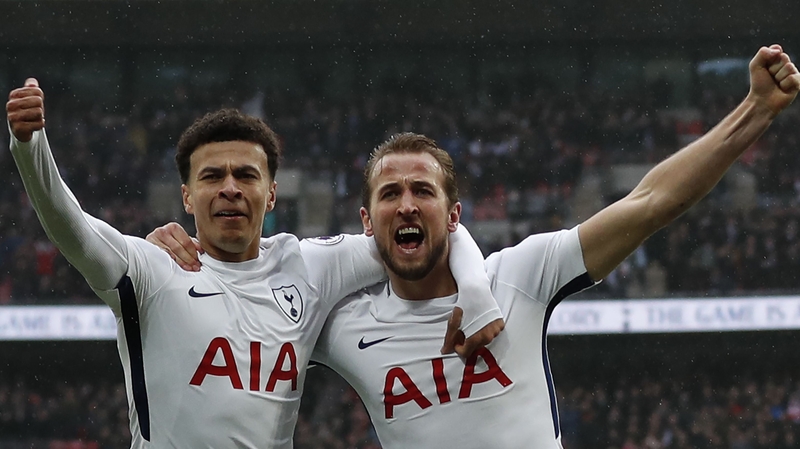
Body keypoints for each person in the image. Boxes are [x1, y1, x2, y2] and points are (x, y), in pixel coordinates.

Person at [149, 45, 799, 448]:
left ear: (454, 214)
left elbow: (653, 202)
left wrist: (755, 110)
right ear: (366, 223)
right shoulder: (337, 321)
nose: (407, 203)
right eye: (390, 193)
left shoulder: (523, 275)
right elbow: (236, 317)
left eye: (423, 191)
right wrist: (174, 256)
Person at [5, 81, 504, 448]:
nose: (229, 187)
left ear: (270, 196)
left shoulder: (310, 265)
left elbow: (431, 233)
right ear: (186, 196)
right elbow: (72, 228)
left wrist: (477, 290)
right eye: (211, 177)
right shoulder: (153, 269)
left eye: (246, 175)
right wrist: (30, 148)